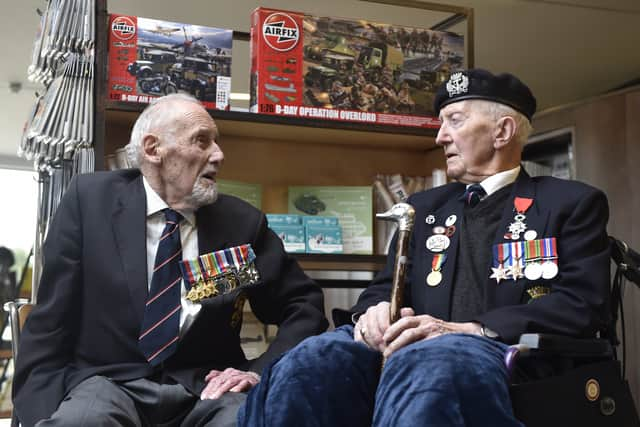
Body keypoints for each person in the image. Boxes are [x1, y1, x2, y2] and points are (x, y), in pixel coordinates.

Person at [238, 69, 611, 426]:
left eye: (455, 120)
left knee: (430, 363)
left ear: (503, 131)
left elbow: (582, 303)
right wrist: (374, 311)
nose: (440, 137)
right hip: (411, 352)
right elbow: (384, 287)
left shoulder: (569, 203)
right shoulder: (425, 207)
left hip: (504, 357)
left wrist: (473, 330)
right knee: (314, 359)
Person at [13, 93, 328, 426]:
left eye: (217, 143)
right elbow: (50, 323)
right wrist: (40, 415)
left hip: (206, 388)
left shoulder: (240, 223)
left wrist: (260, 373)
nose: (219, 156)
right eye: (202, 141)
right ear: (153, 149)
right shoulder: (90, 202)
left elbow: (302, 307)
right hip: (107, 383)